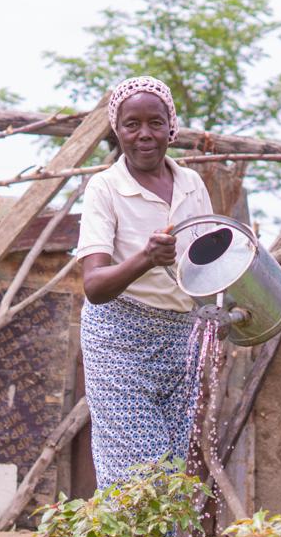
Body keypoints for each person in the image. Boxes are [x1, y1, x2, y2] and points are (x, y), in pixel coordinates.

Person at [76, 76, 213, 489]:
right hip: (119, 337)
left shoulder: (191, 184)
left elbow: (209, 265)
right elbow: (94, 286)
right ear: (116, 130)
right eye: (131, 124)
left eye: (155, 122)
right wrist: (146, 259)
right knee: (138, 473)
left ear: (171, 126)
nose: (144, 135)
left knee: (170, 471)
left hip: (179, 338)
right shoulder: (104, 188)